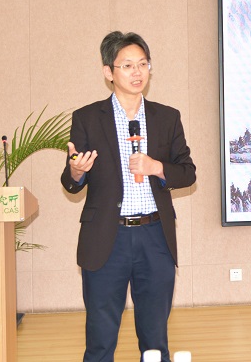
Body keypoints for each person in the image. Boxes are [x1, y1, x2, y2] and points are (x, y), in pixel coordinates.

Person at [61, 31, 196, 362]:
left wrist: (156, 167)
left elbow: (187, 172)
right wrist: (77, 171)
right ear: (108, 72)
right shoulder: (87, 118)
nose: (137, 72)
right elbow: (71, 181)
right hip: (107, 237)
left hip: (155, 236)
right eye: (127, 65)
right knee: (100, 339)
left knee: (155, 340)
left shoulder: (167, 117)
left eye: (143, 64)